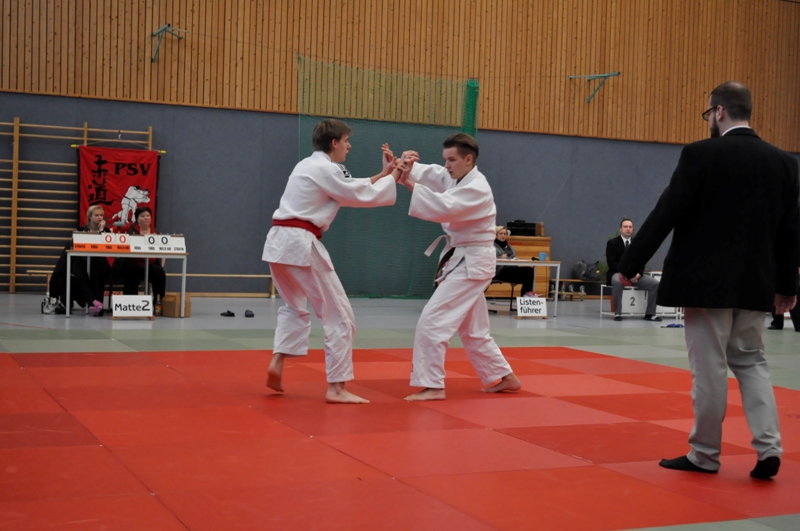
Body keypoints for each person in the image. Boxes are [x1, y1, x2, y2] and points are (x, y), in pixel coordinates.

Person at [617, 81, 799, 479]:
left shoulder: (701, 154)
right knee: (751, 361)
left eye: (708, 114)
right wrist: (787, 287)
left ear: (718, 112)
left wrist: (631, 263)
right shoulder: (784, 163)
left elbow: (667, 212)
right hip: (756, 284)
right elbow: (790, 232)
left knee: (710, 368)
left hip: (705, 284)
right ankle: (769, 447)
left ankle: (704, 454)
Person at [262, 119, 401, 404]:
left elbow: (349, 186)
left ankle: (278, 360)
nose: (349, 146)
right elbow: (355, 194)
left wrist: (385, 174)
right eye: (346, 141)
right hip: (301, 243)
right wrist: (396, 174)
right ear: (334, 142)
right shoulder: (328, 169)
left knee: (293, 306)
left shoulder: (306, 165)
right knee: (339, 316)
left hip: (278, 243)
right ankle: (336, 388)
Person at [396, 133, 521, 401]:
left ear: (468, 159)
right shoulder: (456, 177)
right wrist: (406, 165)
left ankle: (432, 384)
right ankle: (504, 376)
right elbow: (433, 174)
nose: (447, 165)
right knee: (473, 330)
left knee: (433, 320)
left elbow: (444, 207)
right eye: (445, 159)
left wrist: (407, 183)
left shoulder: (477, 188)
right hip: (466, 259)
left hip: (472, 263)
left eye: (451, 160)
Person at [45, 205, 112, 316]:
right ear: (90, 217)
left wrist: (101, 232)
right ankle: (92, 302)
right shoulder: (80, 231)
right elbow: (74, 248)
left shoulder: (106, 231)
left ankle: (94, 303)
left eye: (101, 215)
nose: (100, 217)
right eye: (96, 215)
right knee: (77, 267)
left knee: (100, 271)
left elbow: (107, 248)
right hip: (83, 261)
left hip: (98, 262)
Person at [605, 218, 661, 321]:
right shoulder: (612, 243)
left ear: (633, 229)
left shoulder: (638, 243)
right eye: (625, 227)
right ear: (621, 229)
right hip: (617, 273)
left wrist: (638, 274)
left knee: (654, 284)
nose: (628, 229)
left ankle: (650, 314)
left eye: (630, 227)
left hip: (634, 276)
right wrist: (627, 275)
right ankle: (618, 313)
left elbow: (641, 262)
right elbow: (612, 263)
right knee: (617, 282)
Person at [120, 206, 167, 305]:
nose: (146, 218)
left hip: (149, 264)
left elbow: (163, 250)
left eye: (148, 216)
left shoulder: (157, 232)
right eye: (142, 216)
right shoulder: (130, 229)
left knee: (159, 273)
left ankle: (157, 303)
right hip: (132, 263)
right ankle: (130, 304)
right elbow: (114, 230)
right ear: (137, 219)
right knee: (132, 272)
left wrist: (161, 266)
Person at [493, 226, 534, 296]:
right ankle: (526, 295)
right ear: (496, 235)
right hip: (500, 270)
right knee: (528, 273)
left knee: (530, 271)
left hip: (511, 269)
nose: (503, 235)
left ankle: (526, 296)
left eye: (505, 234)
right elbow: (490, 260)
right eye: (501, 234)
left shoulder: (510, 247)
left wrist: (515, 260)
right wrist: (500, 259)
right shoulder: (492, 247)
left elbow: (514, 258)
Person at [768, 266, 800, 332]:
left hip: (790, 267)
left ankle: (798, 323)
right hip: (774, 267)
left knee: (793, 294)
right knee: (774, 293)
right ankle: (777, 322)